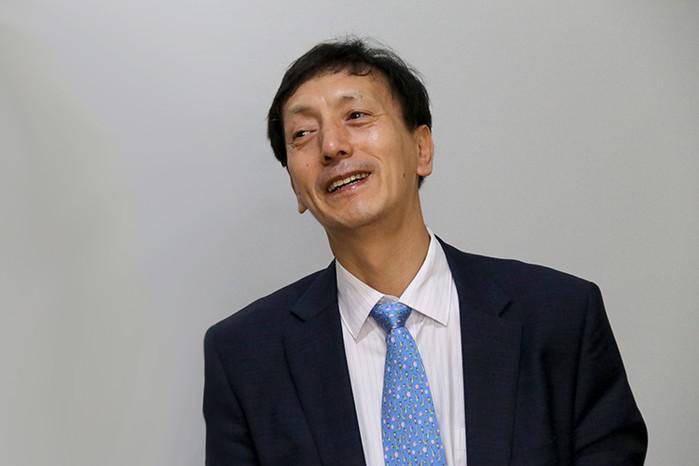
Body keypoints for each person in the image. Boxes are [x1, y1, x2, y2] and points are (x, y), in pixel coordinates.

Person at [203, 38, 647, 466]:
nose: (332, 146)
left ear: (422, 149)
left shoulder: (560, 316)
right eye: (303, 133)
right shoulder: (245, 357)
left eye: (356, 115)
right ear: (296, 188)